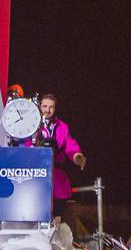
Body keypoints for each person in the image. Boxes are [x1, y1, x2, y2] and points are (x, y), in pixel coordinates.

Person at [8, 92, 85, 222]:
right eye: (44, 106)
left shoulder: (62, 127)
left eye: (51, 107)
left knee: (57, 209)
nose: (47, 110)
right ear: (39, 106)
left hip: (55, 173)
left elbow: (69, 144)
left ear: (55, 108)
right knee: (35, 205)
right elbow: (22, 143)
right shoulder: (30, 123)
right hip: (34, 172)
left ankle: (56, 226)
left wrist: (77, 156)